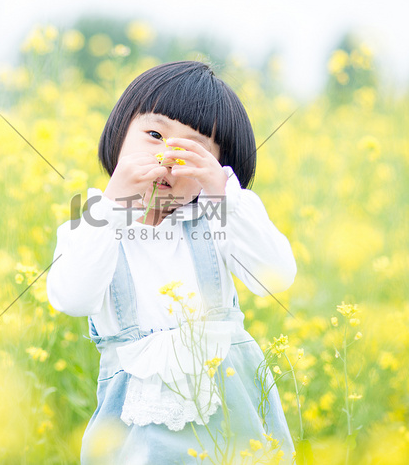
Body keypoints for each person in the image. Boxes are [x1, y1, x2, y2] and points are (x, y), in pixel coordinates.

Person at [47, 61, 297, 464]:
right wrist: (112, 204)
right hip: (135, 435)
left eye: (193, 151)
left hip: (235, 428)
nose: (168, 156)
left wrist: (222, 192)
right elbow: (72, 298)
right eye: (154, 135)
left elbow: (276, 276)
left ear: (218, 166)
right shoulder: (92, 225)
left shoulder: (220, 219)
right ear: (119, 133)